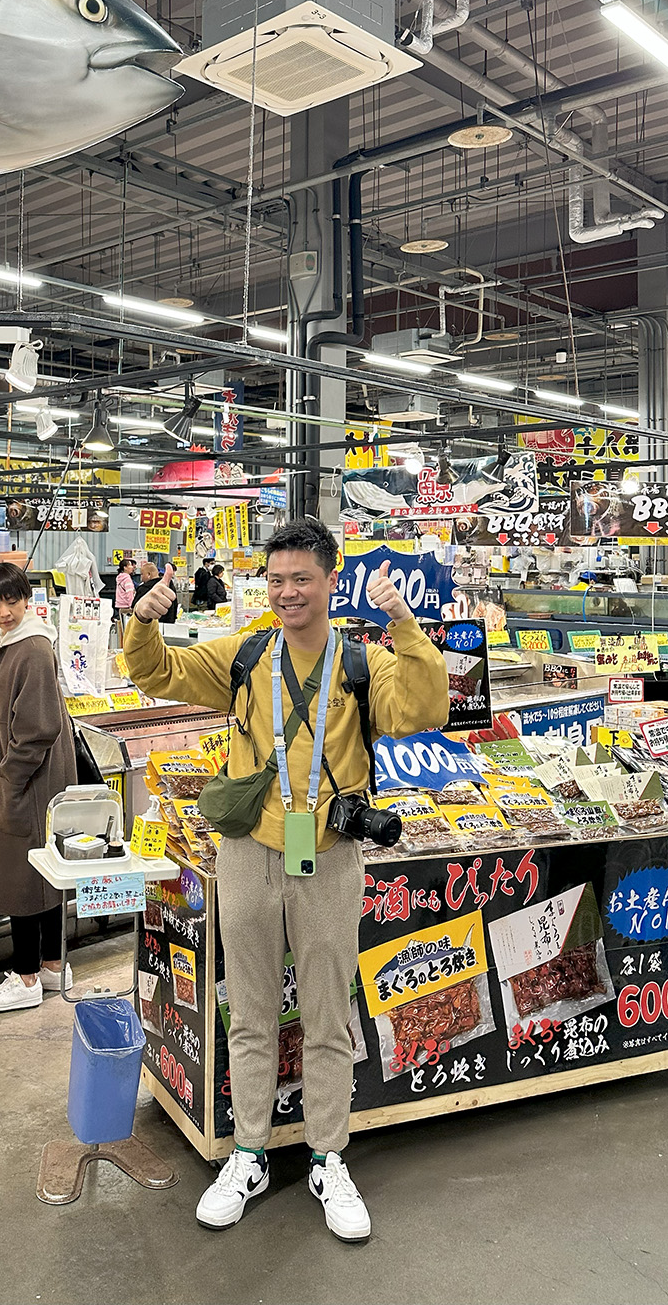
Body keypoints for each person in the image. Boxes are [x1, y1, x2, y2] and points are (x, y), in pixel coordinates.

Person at [125, 518, 448, 1241]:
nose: (287, 592)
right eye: (276, 580)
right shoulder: (245, 654)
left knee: (329, 1014)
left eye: (301, 579)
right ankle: (248, 1153)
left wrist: (403, 622)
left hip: (329, 853)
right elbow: (158, 673)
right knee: (251, 1010)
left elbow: (425, 709)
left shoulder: (363, 663)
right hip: (245, 852)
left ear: (331, 582)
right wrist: (143, 623)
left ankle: (328, 1157)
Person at [0, 562, 76, 1011]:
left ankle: (27, 978)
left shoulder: (30, 645)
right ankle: (53, 967)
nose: (4, 612)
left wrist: (9, 776)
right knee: (43, 870)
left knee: (21, 875)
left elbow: (37, 726)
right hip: (40, 775)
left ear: (26, 599)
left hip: (30, 777)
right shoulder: (13, 640)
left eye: (11, 601)